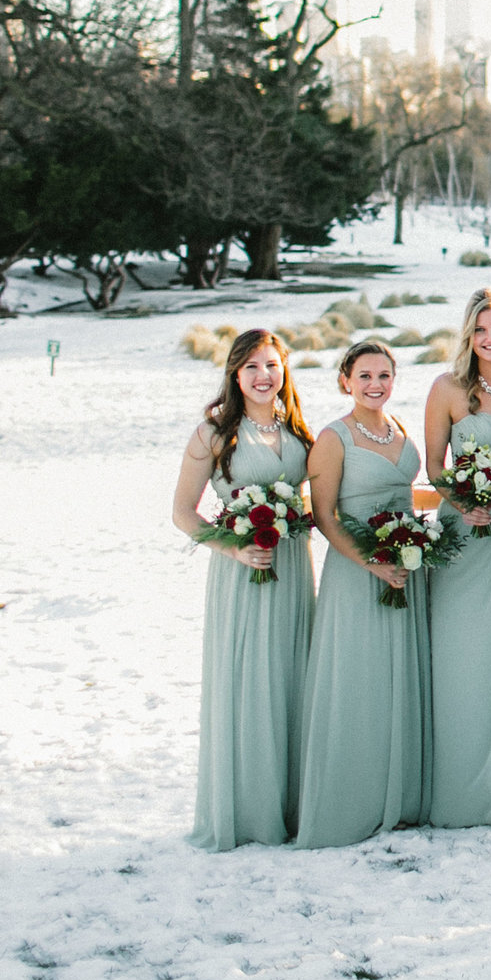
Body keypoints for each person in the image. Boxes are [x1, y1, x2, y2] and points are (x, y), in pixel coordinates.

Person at [173, 327, 315, 851]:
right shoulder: (214, 433)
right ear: (235, 373)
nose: (263, 376)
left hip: (295, 573)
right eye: (252, 366)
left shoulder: (299, 431)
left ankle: (293, 807)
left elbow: (322, 500)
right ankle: (248, 811)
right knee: (249, 684)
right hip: (244, 574)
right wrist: (233, 548)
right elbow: (182, 513)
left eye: (272, 365)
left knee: (293, 680)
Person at [293, 340, 431, 848]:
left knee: (397, 676)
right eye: (365, 376)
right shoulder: (333, 438)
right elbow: (325, 515)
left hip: (404, 564)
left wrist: (462, 498)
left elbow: (404, 491)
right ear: (345, 380)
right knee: (358, 679)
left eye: (385, 376)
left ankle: (398, 795)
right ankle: (351, 801)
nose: (376, 385)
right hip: (357, 573)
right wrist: (372, 563)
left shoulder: (398, 428)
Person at [422, 286, 491, 829]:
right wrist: (462, 502)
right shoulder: (447, 389)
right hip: (463, 534)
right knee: (459, 655)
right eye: (482, 328)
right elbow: (435, 467)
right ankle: (452, 791)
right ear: (469, 335)